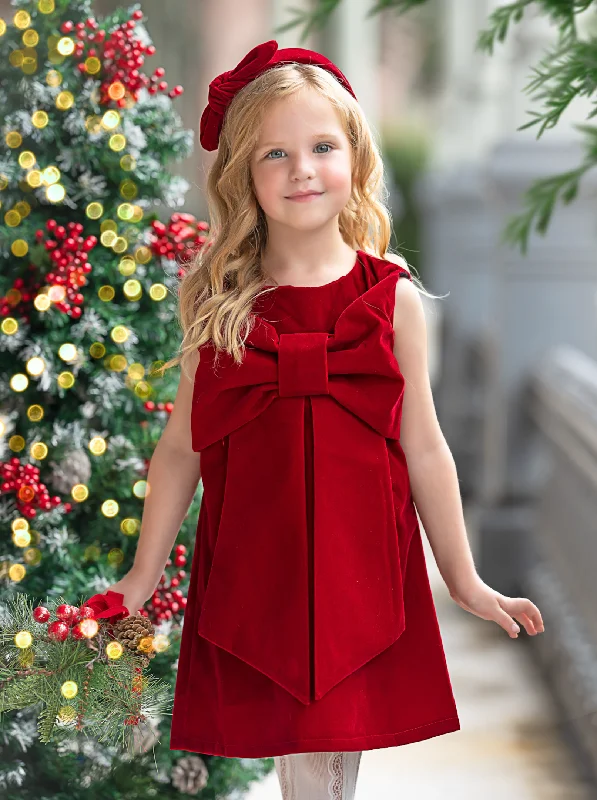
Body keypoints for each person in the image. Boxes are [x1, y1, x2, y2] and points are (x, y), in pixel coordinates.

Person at [101, 39, 545, 799]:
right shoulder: (218, 303)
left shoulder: (394, 299)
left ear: (356, 158)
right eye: (274, 153)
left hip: (361, 569)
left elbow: (426, 446)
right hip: (255, 571)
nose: (301, 169)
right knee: (304, 765)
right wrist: (144, 573)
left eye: (321, 146)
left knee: (324, 765)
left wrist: (463, 579)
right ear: (243, 172)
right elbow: (181, 450)